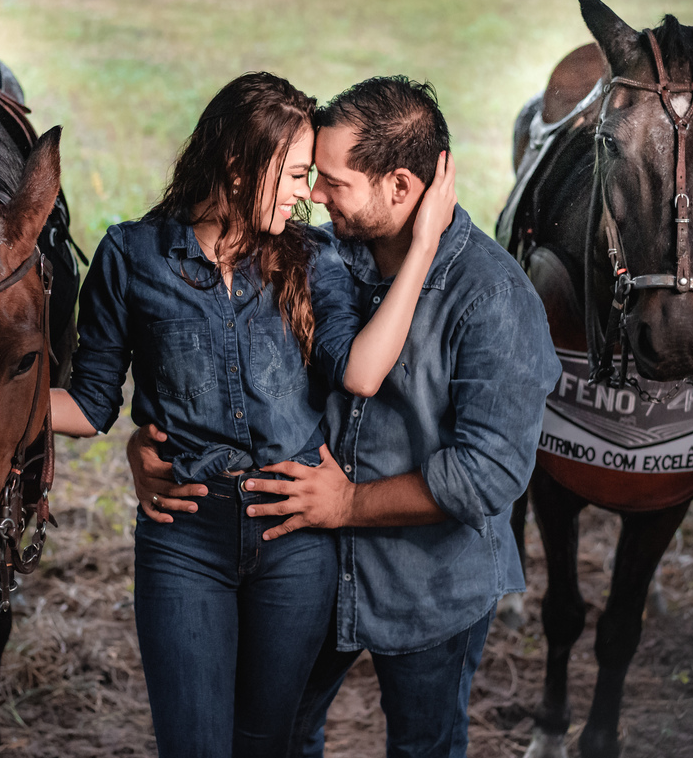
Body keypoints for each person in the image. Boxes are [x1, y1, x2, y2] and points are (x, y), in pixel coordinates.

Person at [127, 76, 561, 757]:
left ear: (400, 186)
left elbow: (487, 473)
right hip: (312, 566)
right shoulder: (317, 256)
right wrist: (153, 442)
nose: (315, 197)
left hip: (430, 586)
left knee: (423, 747)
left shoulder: (493, 299)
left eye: (333, 182)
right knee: (283, 737)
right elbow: (237, 364)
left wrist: (349, 503)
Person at [50, 72, 457, 758]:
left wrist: (423, 246)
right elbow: (91, 404)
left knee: (266, 744)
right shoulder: (131, 256)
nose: (308, 193)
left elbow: (360, 370)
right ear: (239, 168)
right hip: (185, 539)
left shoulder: (312, 258)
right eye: (296, 175)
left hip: (293, 541)